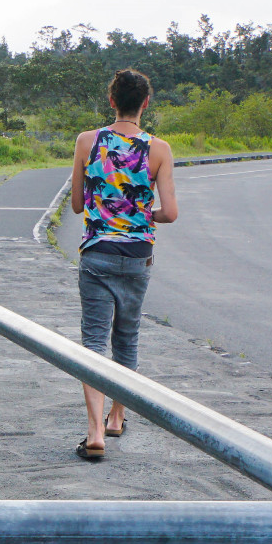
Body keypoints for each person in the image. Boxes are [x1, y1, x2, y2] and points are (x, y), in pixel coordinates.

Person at [69, 69, 178, 462]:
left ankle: (94, 430)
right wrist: (141, 210)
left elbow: (78, 204)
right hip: (137, 255)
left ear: (111, 100)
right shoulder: (159, 150)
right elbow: (171, 213)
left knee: (94, 341)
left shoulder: (87, 141)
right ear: (145, 103)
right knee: (127, 337)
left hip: (97, 252)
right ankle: (117, 416)